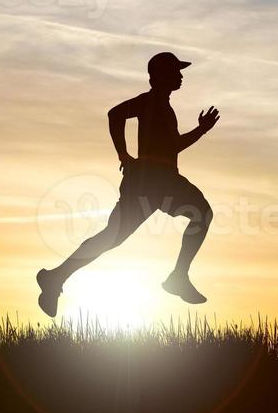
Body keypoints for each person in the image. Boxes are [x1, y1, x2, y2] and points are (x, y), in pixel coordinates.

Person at [36, 52, 220, 317]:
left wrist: (200, 130)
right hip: (153, 181)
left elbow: (173, 147)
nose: (180, 77)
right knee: (198, 214)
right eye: (175, 72)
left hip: (159, 180)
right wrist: (123, 155)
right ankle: (178, 277)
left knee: (114, 237)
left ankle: (56, 277)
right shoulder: (150, 102)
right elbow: (115, 114)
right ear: (158, 76)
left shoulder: (164, 107)